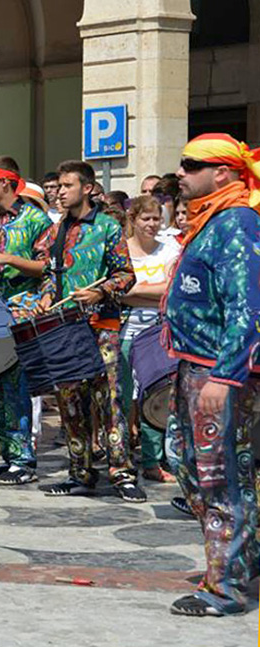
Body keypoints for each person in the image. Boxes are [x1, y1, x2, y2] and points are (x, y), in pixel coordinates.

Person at [162, 133, 260, 617]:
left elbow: (248, 307)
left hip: (218, 375)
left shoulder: (238, 223)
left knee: (222, 478)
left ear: (223, 173)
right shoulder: (211, 222)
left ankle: (228, 588)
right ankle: (244, 561)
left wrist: (226, 376)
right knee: (184, 462)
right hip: (192, 367)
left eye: (190, 164)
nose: (180, 172)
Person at [37, 160, 144, 502]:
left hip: (102, 327)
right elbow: (49, 273)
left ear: (86, 188)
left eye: (67, 186)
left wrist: (100, 292)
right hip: (65, 329)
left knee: (109, 401)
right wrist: (46, 294)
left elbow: (126, 275)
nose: (60, 191)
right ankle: (79, 472)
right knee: (70, 403)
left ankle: (122, 473)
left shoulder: (108, 227)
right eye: (59, 186)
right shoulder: (56, 231)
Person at [0, 157, 50, 485]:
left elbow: (47, 266)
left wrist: (8, 259)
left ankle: (24, 459)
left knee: (16, 384)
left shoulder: (36, 218)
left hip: (22, 311)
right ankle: (8, 455)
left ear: (5, 182)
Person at [114, 195, 179, 483]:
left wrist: (137, 289)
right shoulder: (122, 251)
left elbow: (172, 287)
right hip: (126, 332)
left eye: (156, 219)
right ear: (134, 220)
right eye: (146, 219)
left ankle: (153, 461)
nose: (152, 224)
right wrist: (152, 290)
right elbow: (117, 290)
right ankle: (122, 457)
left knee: (155, 394)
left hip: (159, 332)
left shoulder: (171, 249)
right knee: (124, 398)